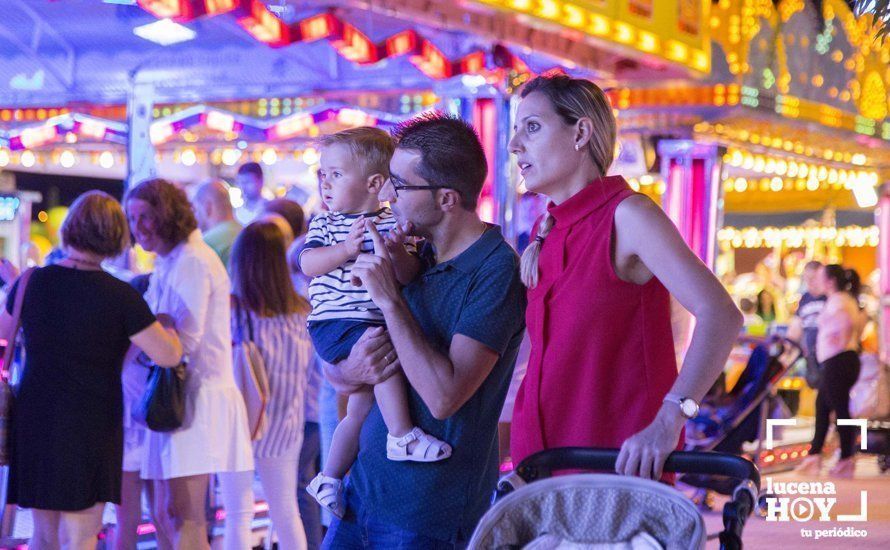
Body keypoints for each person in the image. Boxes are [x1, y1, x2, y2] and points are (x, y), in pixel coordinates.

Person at [507, 74, 742, 481]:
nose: (514, 145)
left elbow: (721, 315)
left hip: (614, 470)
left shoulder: (627, 215)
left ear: (580, 132)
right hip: (543, 467)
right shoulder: (548, 233)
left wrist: (671, 420)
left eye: (532, 127)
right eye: (515, 130)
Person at [321, 113, 526, 548]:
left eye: (401, 184)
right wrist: (350, 367)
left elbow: (444, 396)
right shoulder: (416, 251)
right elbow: (338, 374)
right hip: (362, 492)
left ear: (447, 198)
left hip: (424, 513)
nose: (388, 194)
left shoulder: (495, 270)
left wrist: (390, 300)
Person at [0, 191, 182, 550]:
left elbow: (4, 333)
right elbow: (167, 356)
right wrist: (169, 326)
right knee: (81, 536)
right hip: (92, 422)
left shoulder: (32, 282)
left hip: (36, 416)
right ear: (116, 236)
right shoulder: (121, 296)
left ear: (70, 228)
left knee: (43, 534)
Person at [300, 127, 451, 519]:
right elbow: (307, 263)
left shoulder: (394, 224)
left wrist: (398, 250)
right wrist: (345, 250)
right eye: (322, 173)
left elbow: (408, 274)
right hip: (337, 321)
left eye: (335, 173)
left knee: (359, 409)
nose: (324, 182)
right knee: (385, 357)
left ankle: (329, 477)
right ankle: (401, 435)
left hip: (367, 319)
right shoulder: (326, 224)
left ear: (374, 183)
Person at [125, 179, 254, 550]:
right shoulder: (171, 260)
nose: (139, 227)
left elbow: (186, 341)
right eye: (133, 218)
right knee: (166, 512)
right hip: (176, 395)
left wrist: (149, 331)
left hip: (197, 397)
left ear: (168, 215)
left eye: (146, 216)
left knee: (185, 514)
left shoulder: (193, 260)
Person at [222, 221, 315, 550]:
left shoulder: (232, 311)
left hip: (239, 426)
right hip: (285, 428)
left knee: (237, 516)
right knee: (286, 512)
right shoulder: (303, 312)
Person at [797, 265, 864, 478]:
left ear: (830, 281)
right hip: (837, 360)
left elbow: (848, 323)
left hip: (839, 361)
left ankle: (845, 458)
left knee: (840, 410)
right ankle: (815, 456)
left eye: (820, 278)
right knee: (823, 406)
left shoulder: (840, 300)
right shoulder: (839, 299)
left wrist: (838, 340)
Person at [788, 261, 826, 386]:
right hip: (811, 357)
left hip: (828, 356)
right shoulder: (805, 298)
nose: (810, 284)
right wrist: (787, 346)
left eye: (813, 279)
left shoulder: (831, 297)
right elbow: (796, 326)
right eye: (807, 279)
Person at [192, 180, 242, 267]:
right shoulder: (245, 232)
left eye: (196, 210)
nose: (195, 216)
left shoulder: (206, 243)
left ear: (207, 207)